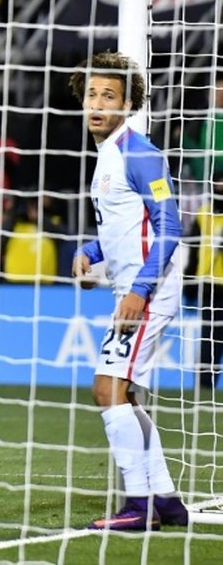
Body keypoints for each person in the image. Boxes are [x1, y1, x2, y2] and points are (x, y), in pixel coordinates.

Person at [69, 51, 189, 531]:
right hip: (134, 288)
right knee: (125, 395)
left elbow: (170, 225)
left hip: (148, 291)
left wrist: (139, 290)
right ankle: (164, 501)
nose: (97, 104)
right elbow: (124, 223)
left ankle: (138, 508)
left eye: (109, 96)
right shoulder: (107, 156)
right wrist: (90, 251)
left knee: (108, 389)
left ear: (128, 103)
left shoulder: (140, 153)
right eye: (92, 95)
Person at [183, 172, 223, 390]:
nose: (220, 185)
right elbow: (194, 249)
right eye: (217, 181)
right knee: (210, 338)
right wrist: (188, 281)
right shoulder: (203, 213)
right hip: (209, 285)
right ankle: (205, 386)